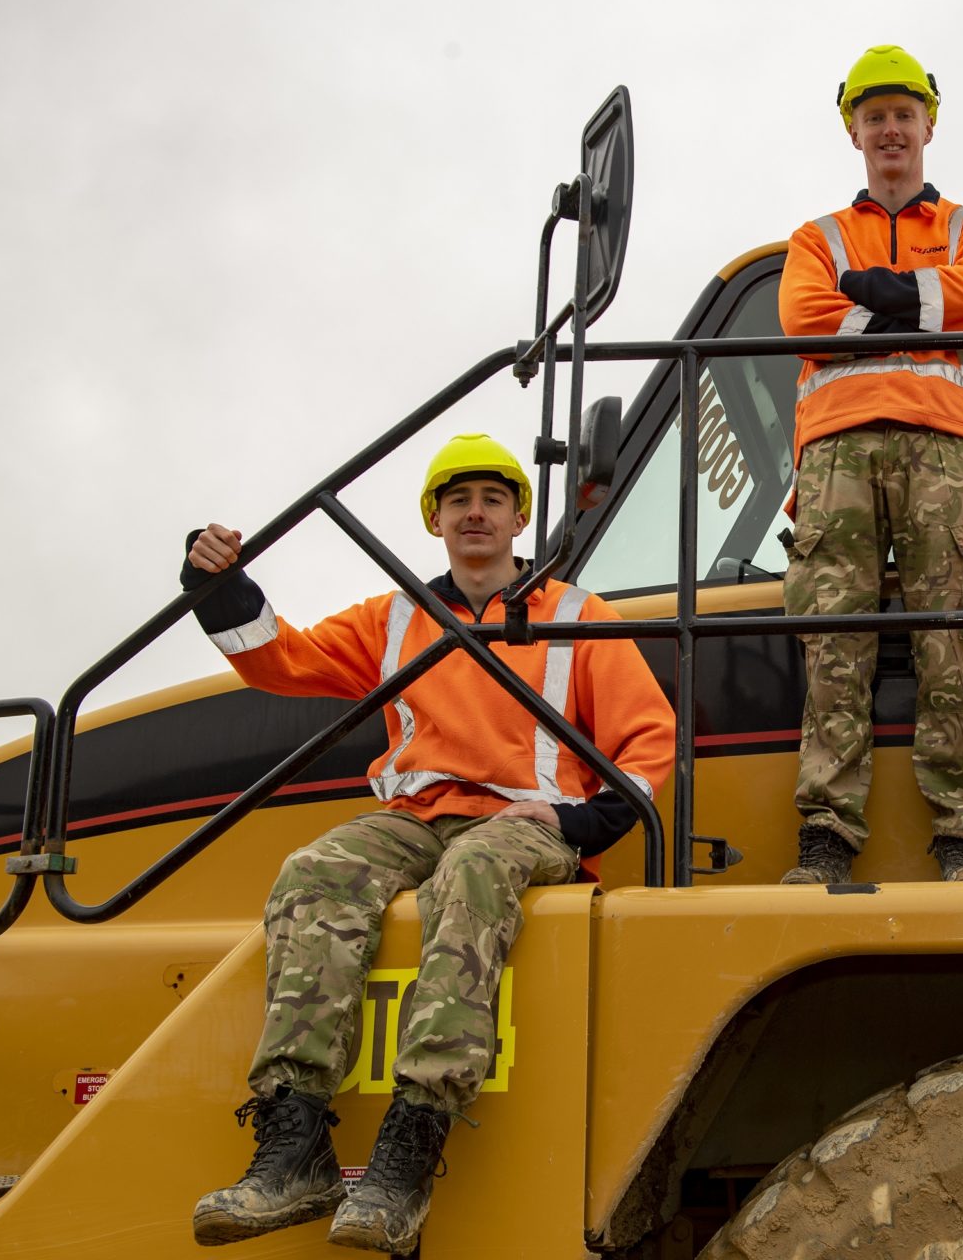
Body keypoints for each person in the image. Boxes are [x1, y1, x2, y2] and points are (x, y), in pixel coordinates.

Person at [184, 433, 674, 1252]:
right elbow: (283, 661)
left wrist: (573, 822)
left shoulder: (578, 616)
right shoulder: (397, 617)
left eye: (490, 499)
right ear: (434, 521)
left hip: (522, 825)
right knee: (314, 871)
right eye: (457, 501)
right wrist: (216, 583)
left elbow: (648, 741)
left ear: (520, 516)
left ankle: (412, 1144)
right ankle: (294, 1141)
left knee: (476, 868)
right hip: (413, 819)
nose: (474, 513)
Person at [776, 44, 963, 885]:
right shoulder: (817, 237)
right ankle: (826, 839)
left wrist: (870, 292)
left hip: (942, 445)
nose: (891, 130)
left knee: (953, 635)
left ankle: (962, 836)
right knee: (836, 644)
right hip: (835, 450)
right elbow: (802, 314)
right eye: (874, 117)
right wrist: (919, 302)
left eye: (903, 114)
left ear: (929, 124)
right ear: (855, 133)